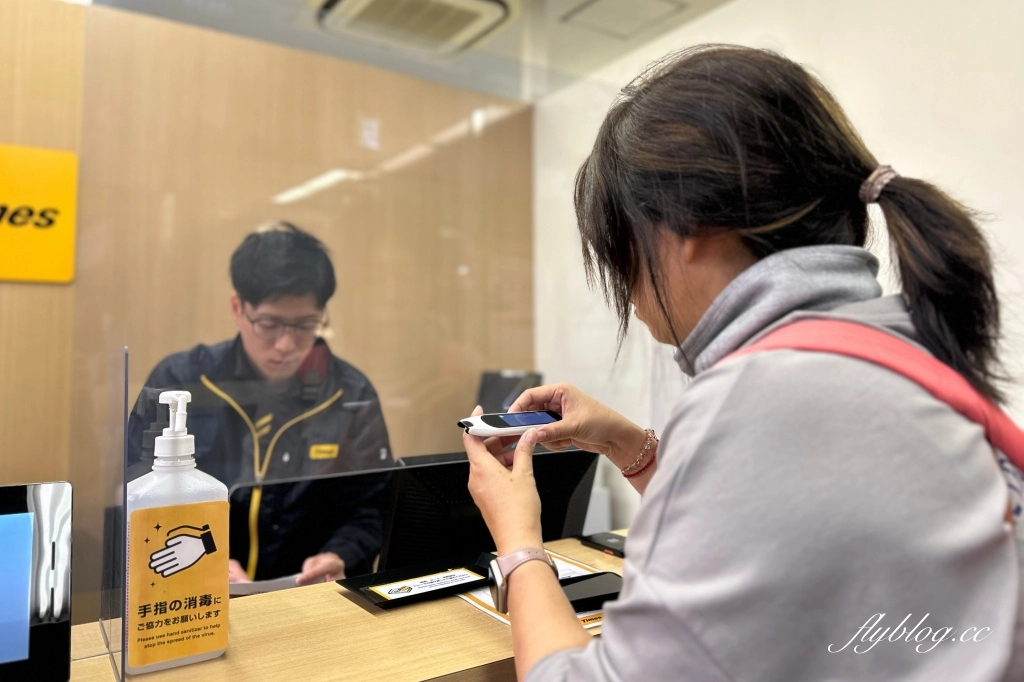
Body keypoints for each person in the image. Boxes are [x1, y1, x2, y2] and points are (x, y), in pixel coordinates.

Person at [462, 45, 1024, 681]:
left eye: (622, 250)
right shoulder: (904, 348)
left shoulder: (762, 395)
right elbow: (791, 524)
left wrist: (518, 542)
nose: (628, 289)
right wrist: (627, 444)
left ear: (687, 226)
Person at [128, 222, 392, 585]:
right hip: (197, 588)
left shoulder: (350, 392)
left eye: (305, 325)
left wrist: (340, 555)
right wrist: (208, 552)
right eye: (269, 324)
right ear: (238, 308)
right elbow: (137, 490)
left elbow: (370, 507)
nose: (286, 345)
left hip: (309, 595)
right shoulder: (181, 381)